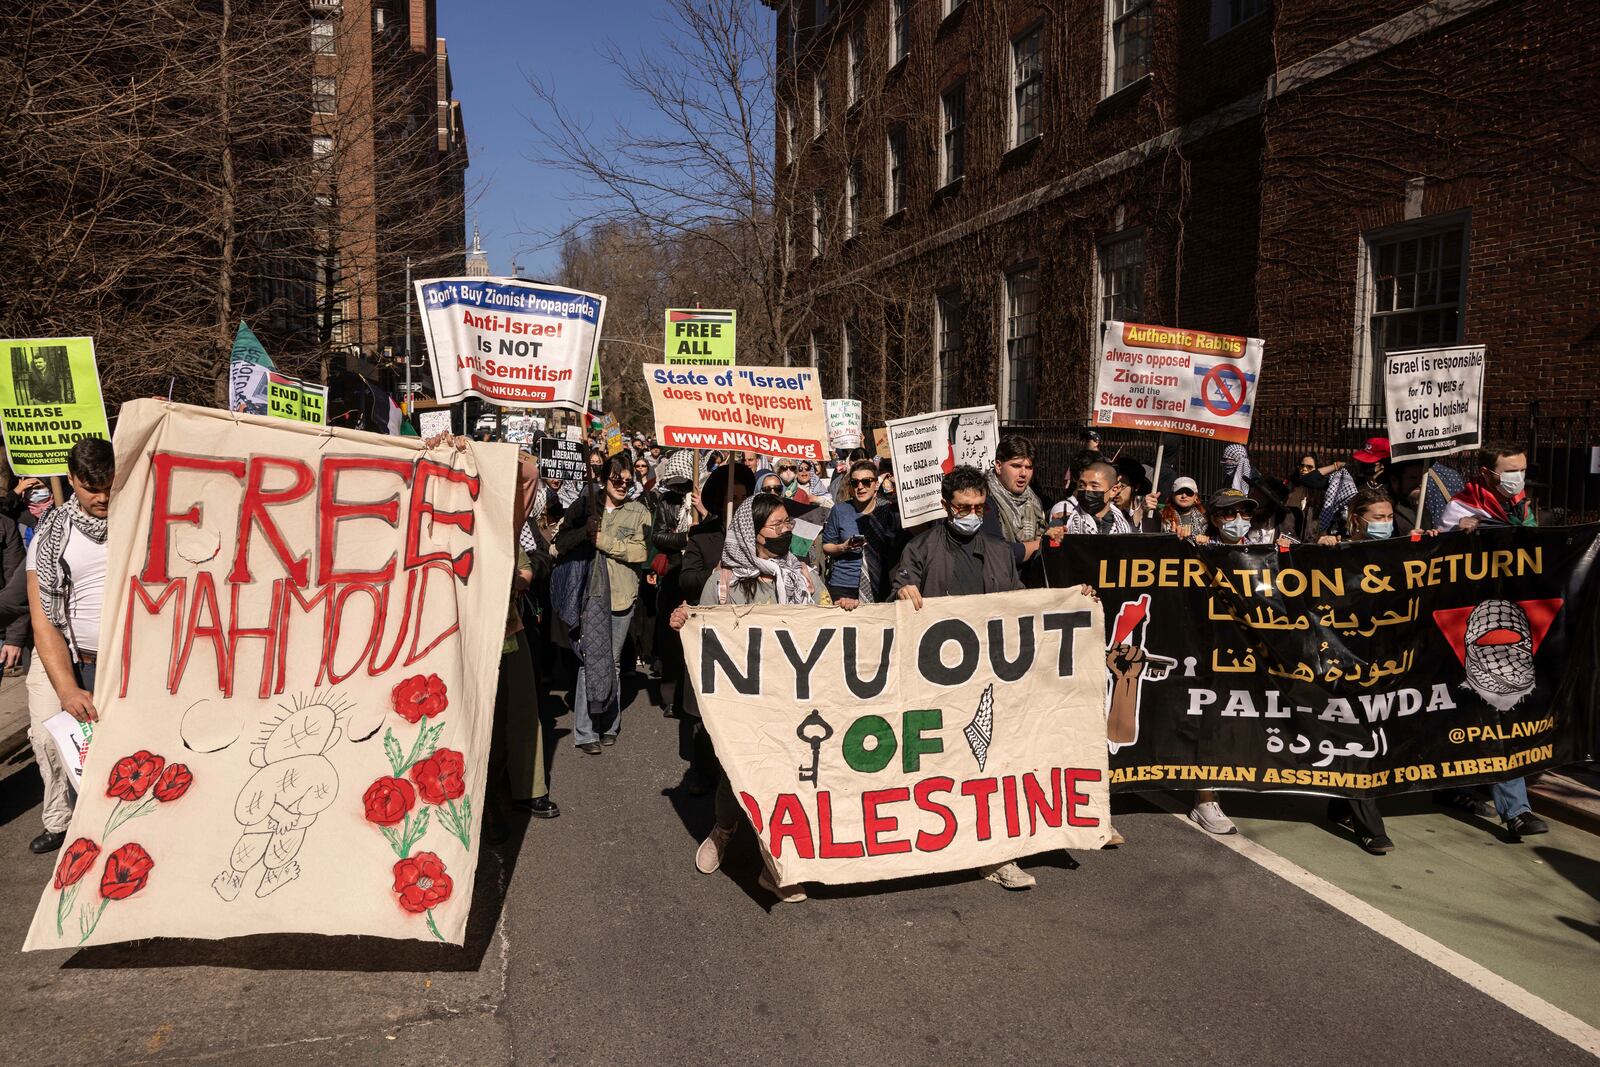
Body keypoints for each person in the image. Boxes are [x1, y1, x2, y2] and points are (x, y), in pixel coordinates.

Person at [670, 493, 844, 903]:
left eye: (788, 524)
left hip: (794, 701)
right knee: (739, 775)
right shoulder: (724, 582)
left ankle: (775, 865)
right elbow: (703, 628)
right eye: (777, 525)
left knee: (786, 779)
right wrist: (684, 619)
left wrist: (845, 609)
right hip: (745, 704)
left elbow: (827, 616)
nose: (787, 532)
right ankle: (724, 831)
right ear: (753, 533)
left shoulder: (803, 575)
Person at [889, 465, 1040, 891]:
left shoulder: (997, 550)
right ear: (945, 506)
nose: (971, 514)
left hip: (987, 680)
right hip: (935, 682)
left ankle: (997, 857)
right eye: (962, 507)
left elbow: (1020, 604)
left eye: (978, 507)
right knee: (936, 767)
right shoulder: (919, 549)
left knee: (988, 767)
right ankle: (932, 843)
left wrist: (1070, 603)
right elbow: (899, 587)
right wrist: (903, 590)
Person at [1432, 443, 1547, 838]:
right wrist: (1458, 539)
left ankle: (1474, 792)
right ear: (1486, 474)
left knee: (1488, 713)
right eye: (1508, 471)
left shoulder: (1521, 509)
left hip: (1510, 625)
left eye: (1522, 469)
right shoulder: (1460, 511)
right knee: (1488, 711)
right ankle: (1513, 809)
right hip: (1466, 628)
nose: (1517, 478)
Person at [24, 438, 113, 854]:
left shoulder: (140, 516)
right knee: (89, 770)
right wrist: (66, 688)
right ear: (72, 480)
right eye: (92, 488)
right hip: (88, 666)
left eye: (109, 486)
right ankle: (86, 854)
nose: (102, 497)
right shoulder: (51, 535)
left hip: (139, 662)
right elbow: (43, 622)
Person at [1317, 488, 1403, 853]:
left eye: (1388, 517)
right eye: (1377, 517)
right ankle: (1371, 826)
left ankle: (1341, 803)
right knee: (1357, 739)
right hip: (1342, 661)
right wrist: (1318, 550)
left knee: (1375, 735)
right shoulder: (1332, 551)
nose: (1384, 524)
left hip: (1384, 662)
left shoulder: (1398, 550)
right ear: (1355, 519)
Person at [554, 456, 650, 755]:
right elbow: (558, 544)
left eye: (627, 479)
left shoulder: (639, 512)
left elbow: (639, 552)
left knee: (612, 661)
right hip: (588, 594)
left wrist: (603, 539)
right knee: (588, 661)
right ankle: (585, 732)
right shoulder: (584, 507)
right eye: (616, 479)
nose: (623, 484)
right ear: (604, 479)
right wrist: (585, 532)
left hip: (620, 597)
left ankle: (609, 723)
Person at [821, 459, 882, 604]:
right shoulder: (840, 510)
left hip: (879, 583)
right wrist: (843, 547)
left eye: (866, 481)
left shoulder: (887, 510)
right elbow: (826, 546)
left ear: (876, 484)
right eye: (855, 483)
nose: (860, 487)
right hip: (844, 584)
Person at [1320, 437, 1391, 537]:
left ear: (1384, 464)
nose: (1364, 464)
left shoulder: (1392, 489)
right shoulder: (1351, 481)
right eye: (1363, 461)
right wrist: (1337, 465)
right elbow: (1308, 479)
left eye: (1369, 462)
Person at [1050, 460, 1133, 535]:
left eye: (1094, 486)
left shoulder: (1122, 527)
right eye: (1082, 485)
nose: (1087, 490)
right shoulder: (1065, 523)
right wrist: (1053, 540)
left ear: (1113, 491)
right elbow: (1051, 549)